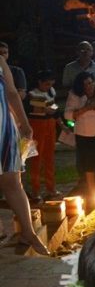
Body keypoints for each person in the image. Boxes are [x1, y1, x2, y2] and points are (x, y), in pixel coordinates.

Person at [0, 56, 48, 255]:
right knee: (12, 182)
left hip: (4, 128)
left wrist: (25, 124)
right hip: (4, 126)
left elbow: (12, 93)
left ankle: (28, 232)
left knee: (13, 181)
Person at [24, 69, 60, 201]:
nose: (49, 87)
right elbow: (39, 108)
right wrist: (47, 108)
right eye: (46, 84)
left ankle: (51, 188)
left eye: (51, 84)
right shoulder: (32, 94)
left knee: (49, 158)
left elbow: (53, 107)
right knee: (36, 159)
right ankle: (36, 190)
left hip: (49, 125)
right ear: (39, 82)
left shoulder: (51, 91)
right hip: (37, 126)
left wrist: (52, 112)